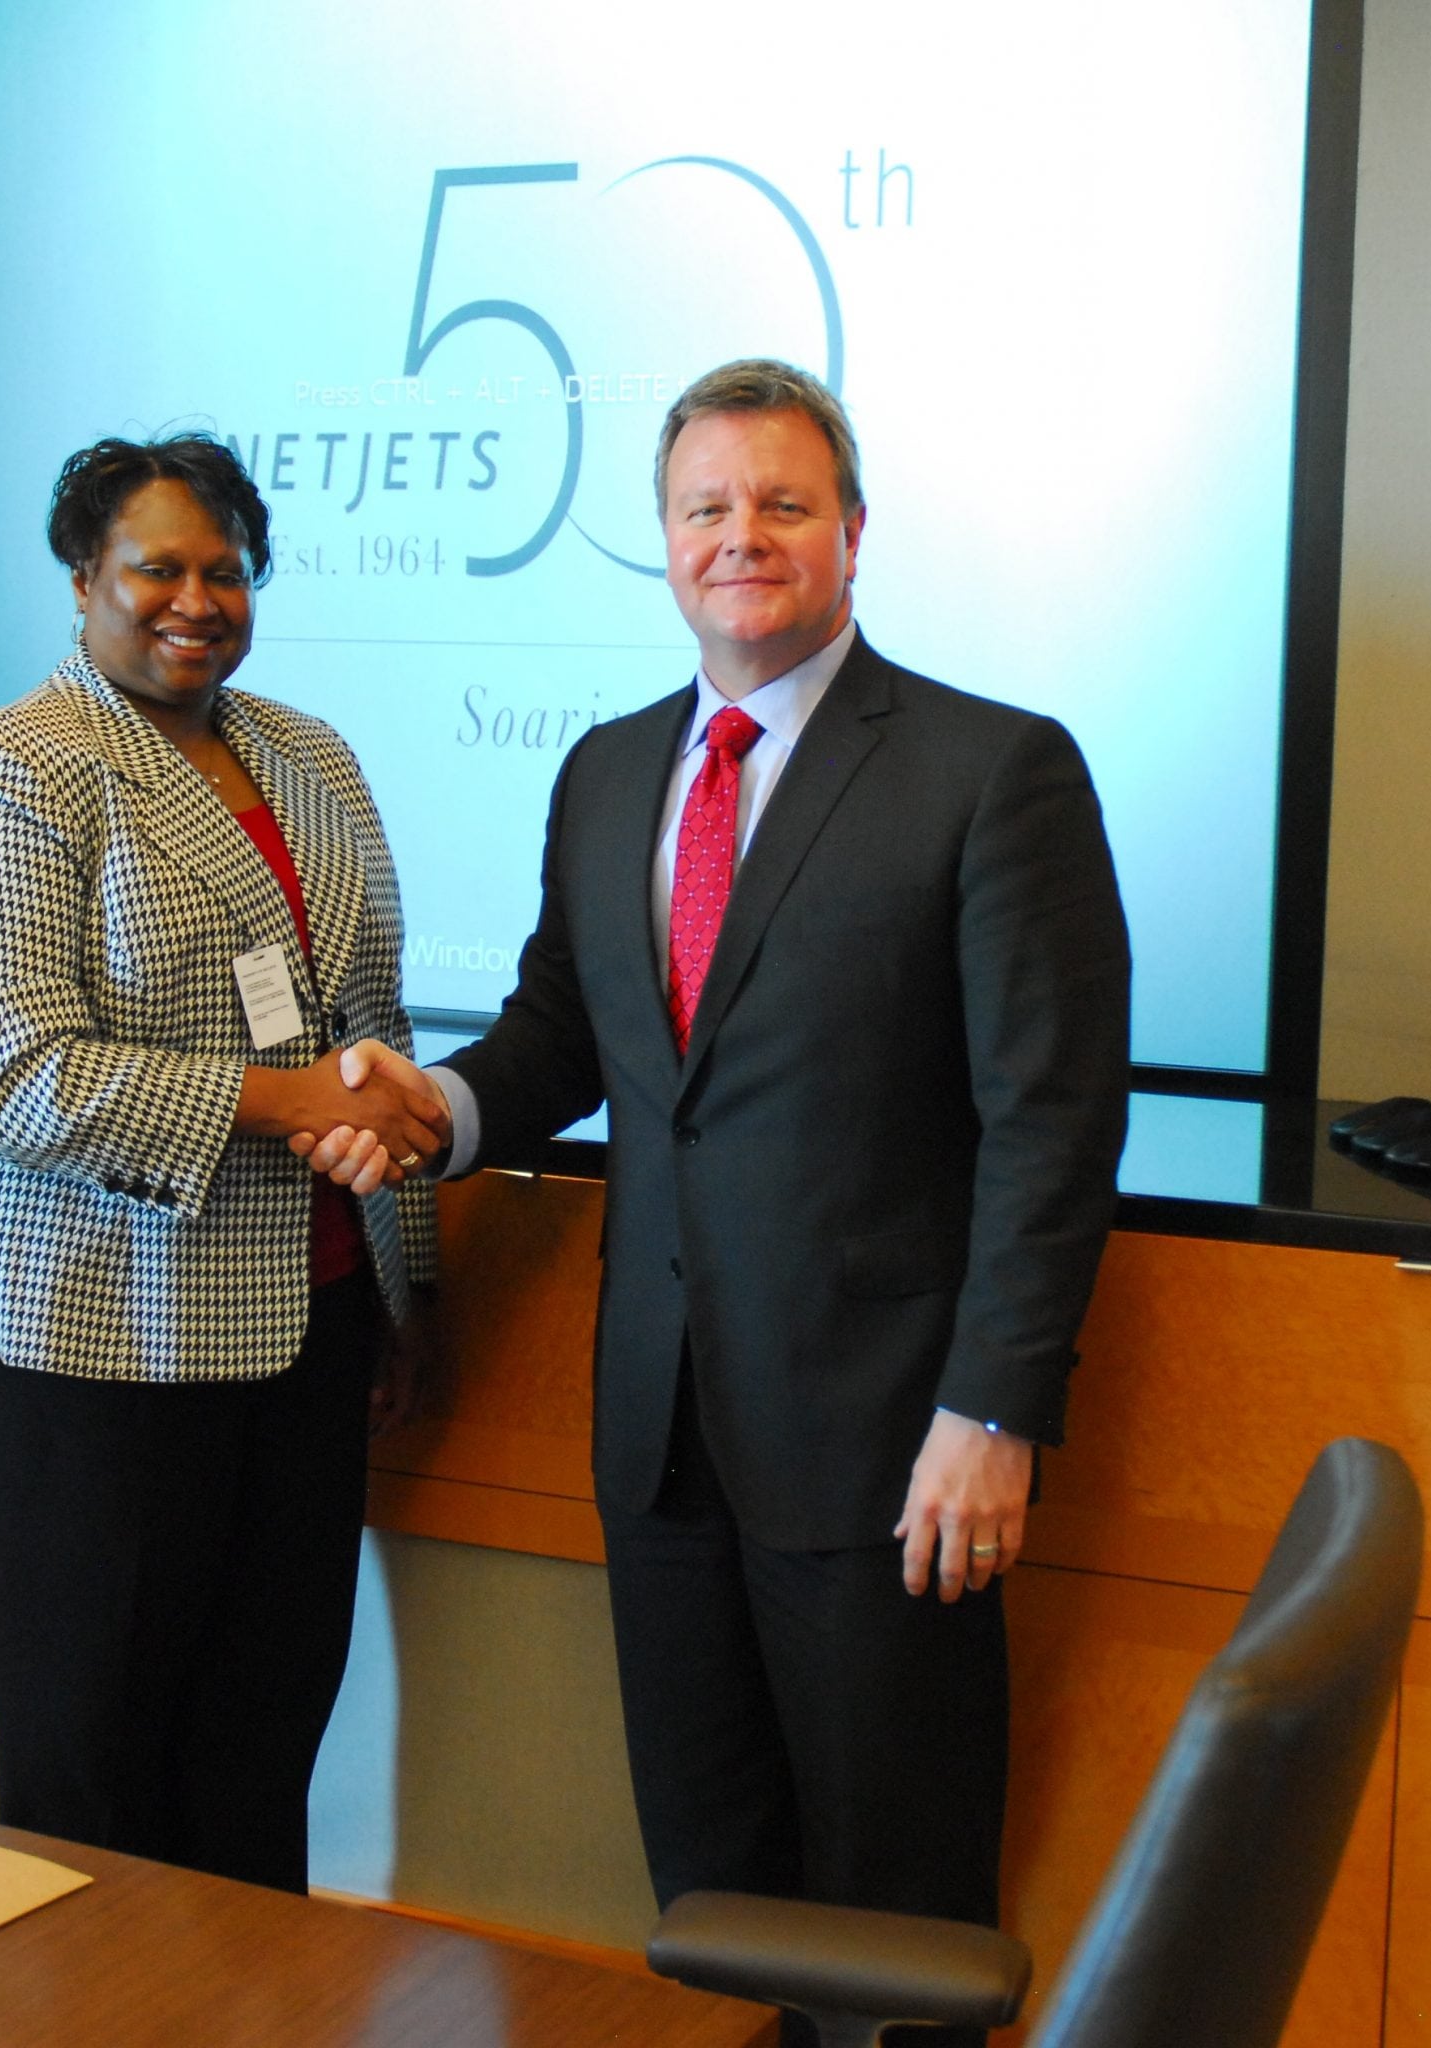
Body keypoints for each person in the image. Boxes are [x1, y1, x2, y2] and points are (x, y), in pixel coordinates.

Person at [305, 361, 1130, 2039]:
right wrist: (441, 1107)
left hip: (892, 1451)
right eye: (705, 507)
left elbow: (1049, 1123)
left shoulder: (992, 771)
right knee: (708, 1903)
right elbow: (565, 1028)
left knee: (897, 1918)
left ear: (852, 532)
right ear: (662, 540)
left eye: (781, 503)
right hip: (663, 1442)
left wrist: (994, 1408)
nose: (739, 535)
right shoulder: (613, 771)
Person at [0, 432, 445, 1894]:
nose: (196, 599)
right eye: (158, 568)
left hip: (301, 1334)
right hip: (78, 1350)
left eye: (226, 570)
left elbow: (364, 1025)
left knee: (258, 1758)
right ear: (84, 581)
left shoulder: (308, 755)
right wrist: (279, 1097)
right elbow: (5, 1074)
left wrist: (393, 1291)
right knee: (94, 1778)